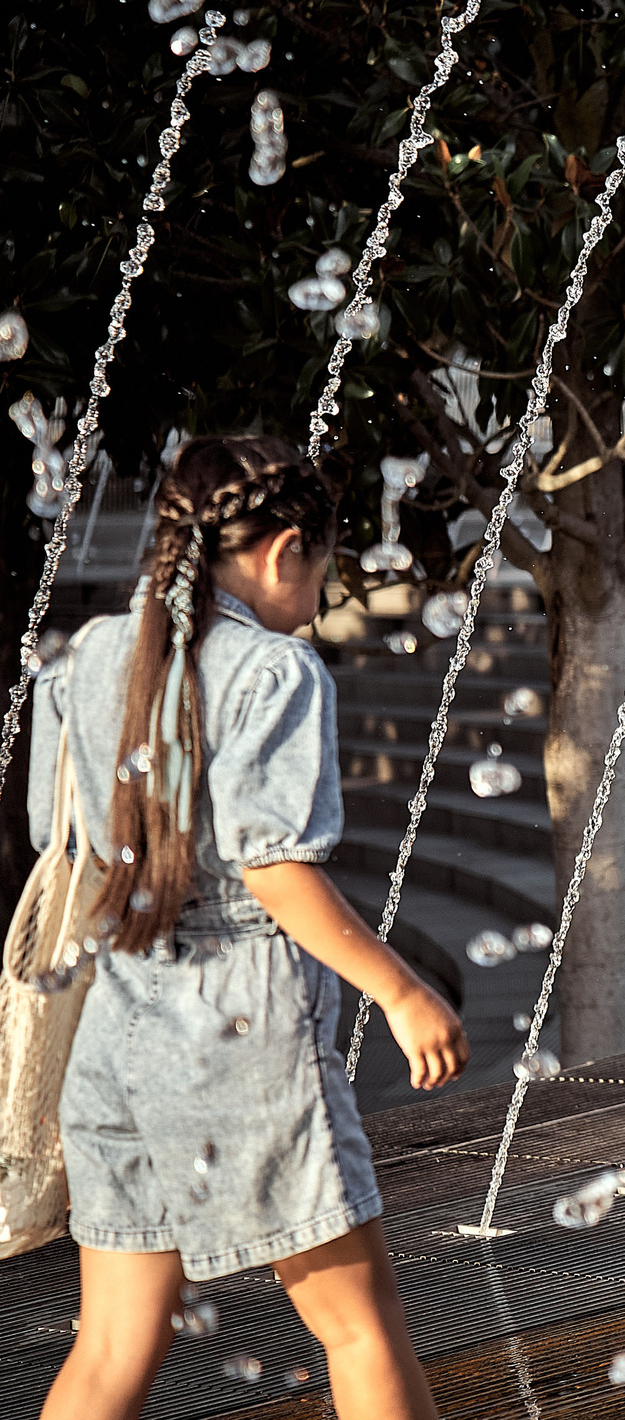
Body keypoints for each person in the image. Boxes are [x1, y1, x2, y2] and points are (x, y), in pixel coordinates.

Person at [38, 436, 467, 1420]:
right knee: (359, 1327)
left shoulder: (95, 652)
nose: (318, 595)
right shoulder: (275, 671)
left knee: (110, 1345)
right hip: (243, 1033)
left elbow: (55, 837)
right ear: (281, 553)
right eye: (319, 569)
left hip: (122, 1023)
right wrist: (400, 990)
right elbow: (273, 869)